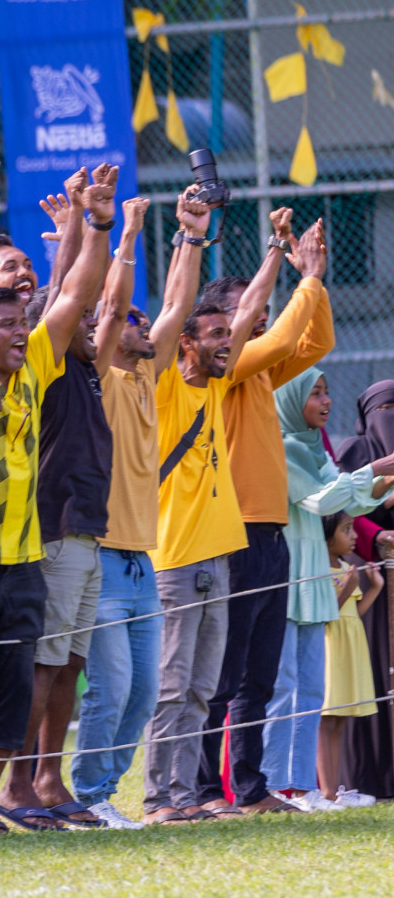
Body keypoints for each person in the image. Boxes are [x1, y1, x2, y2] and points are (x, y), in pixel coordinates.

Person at [0, 158, 113, 836]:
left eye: (19, 325)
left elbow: (75, 295)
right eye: (0, 323)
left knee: (13, 688)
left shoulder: (39, 359)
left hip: (23, 554)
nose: (14, 333)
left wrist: (97, 223)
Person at [141, 214, 294, 826]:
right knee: (174, 687)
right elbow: (178, 304)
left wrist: (276, 252)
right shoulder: (169, 388)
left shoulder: (216, 384)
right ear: (185, 342)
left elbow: (251, 307)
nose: (229, 341)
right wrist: (189, 238)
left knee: (206, 690)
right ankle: (158, 799)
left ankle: (188, 797)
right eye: (214, 335)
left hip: (218, 555)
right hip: (176, 558)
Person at [0, 175, 137, 831]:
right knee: (44, 661)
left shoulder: (87, 365)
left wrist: (101, 230)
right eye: (84, 320)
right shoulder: (42, 364)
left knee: (69, 664)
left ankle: (51, 778)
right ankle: (19, 784)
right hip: (52, 531)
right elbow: (69, 294)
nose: (95, 322)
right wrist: (90, 229)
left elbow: (97, 304)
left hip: (88, 531)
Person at [72, 188, 209, 829]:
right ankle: (88, 796)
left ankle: (100, 793)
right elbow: (104, 308)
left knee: (145, 692)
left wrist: (190, 235)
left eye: (142, 318)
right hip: (99, 559)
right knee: (113, 687)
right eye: (131, 318)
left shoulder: (148, 376)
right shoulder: (99, 376)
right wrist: (123, 238)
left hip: (141, 565)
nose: (144, 324)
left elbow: (180, 305)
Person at [195, 212, 335, 817]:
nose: (250, 321)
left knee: (258, 670)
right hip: (231, 530)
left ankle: (250, 787)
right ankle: (202, 789)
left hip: (268, 531)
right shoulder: (224, 370)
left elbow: (316, 343)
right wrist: (302, 274)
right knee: (220, 675)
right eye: (236, 317)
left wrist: (315, 285)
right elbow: (280, 338)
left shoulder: (257, 369)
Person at [262, 369, 391, 812]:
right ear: (290, 401)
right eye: (314, 393)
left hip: (314, 578)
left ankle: (305, 787)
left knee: (312, 690)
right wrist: (370, 471)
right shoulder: (282, 446)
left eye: (327, 391)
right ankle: (277, 783)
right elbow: (318, 502)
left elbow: (347, 504)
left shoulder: (314, 449)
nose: (326, 400)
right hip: (289, 575)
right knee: (285, 687)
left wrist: (380, 483)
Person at [334, 380, 394, 800]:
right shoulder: (355, 455)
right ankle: (369, 775)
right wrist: (378, 533)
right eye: (384, 408)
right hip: (371, 572)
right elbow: (340, 513)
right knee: (370, 671)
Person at [318, 511, 384, 801]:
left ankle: (334, 791)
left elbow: (354, 612)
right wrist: (346, 585)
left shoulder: (346, 567)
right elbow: (328, 613)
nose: (354, 536)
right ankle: (326, 790)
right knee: (326, 718)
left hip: (351, 643)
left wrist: (376, 587)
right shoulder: (323, 569)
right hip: (332, 645)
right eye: (346, 530)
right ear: (328, 536)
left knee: (341, 717)